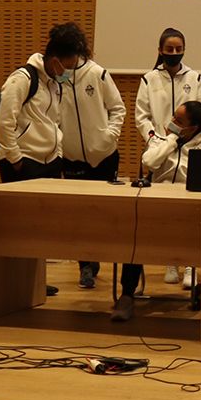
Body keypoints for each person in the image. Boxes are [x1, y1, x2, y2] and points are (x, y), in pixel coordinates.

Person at [0, 22, 91, 297]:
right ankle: (15, 283)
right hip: (23, 161)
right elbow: (5, 121)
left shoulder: (54, 83)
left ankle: (34, 280)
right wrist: (16, 160)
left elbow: (54, 121)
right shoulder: (23, 79)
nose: (70, 73)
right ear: (54, 60)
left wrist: (57, 154)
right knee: (20, 228)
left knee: (38, 229)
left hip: (49, 161)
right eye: (68, 66)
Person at [111, 101, 201, 322]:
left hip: (189, 218)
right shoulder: (159, 141)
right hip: (155, 213)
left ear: (194, 127)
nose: (172, 123)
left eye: (179, 121)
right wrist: (171, 139)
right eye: (173, 117)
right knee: (134, 236)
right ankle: (127, 294)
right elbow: (149, 161)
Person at [134, 27, 201, 286]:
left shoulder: (195, 77)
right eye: (170, 49)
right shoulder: (149, 79)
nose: (174, 53)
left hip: (189, 149)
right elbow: (141, 116)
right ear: (160, 50)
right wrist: (157, 139)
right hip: (161, 147)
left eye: (179, 49)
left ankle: (191, 265)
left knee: (191, 215)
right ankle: (171, 262)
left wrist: (189, 137)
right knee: (167, 217)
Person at [59, 48, 126, 290]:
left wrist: (108, 137)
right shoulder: (57, 78)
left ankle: (104, 256)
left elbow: (118, 108)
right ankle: (85, 265)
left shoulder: (98, 74)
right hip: (72, 158)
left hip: (104, 156)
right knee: (79, 216)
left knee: (103, 214)